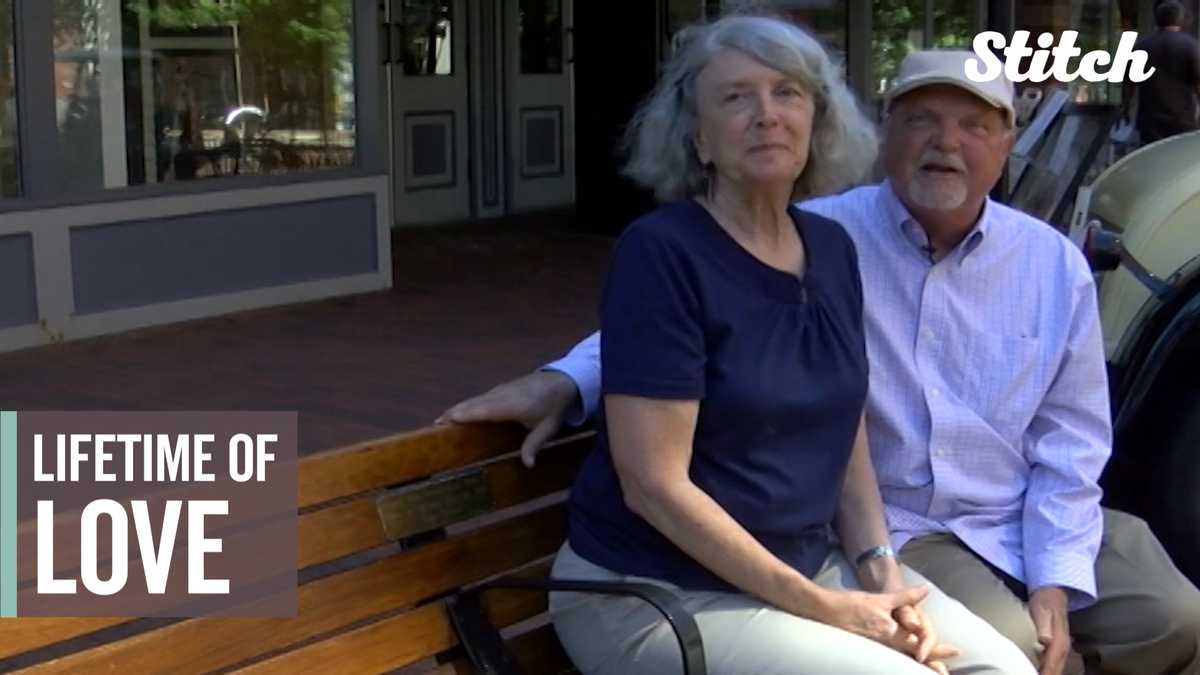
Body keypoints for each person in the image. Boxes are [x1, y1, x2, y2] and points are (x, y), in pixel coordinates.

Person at [439, 48, 1200, 675]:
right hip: (884, 532)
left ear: (1007, 144)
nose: (945, 142)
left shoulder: (1037, 262)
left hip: (990, 512)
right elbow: (673, 334)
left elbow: (1071, 437)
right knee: (1018, 659)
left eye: (973, 125)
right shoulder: (823, 233)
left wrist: (1053, 575)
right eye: (922, 120)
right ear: (884, 134)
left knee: (1171, 619)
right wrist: (564, 378)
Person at [490, 16, 1034, 675]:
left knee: (1003, 667)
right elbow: (654, 485)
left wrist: (881, 571)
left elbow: (847, 435)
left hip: (804, 569)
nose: (766, 115)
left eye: (788, 93)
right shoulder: (661, 253)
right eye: (736, 96)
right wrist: (825, 607)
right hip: (657, 592)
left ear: (818, 123)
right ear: (697, 135)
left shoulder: (831, 250)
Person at [1127, 0, 1200, 145]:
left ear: (1157, 19)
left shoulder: (1141, 47)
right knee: (1180, 161)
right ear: (1180, 19)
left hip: (1149, 120)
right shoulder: (1191, 46)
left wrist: (1126, 109)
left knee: (1151, 160)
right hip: (1182, 120)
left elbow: (1130, 84)